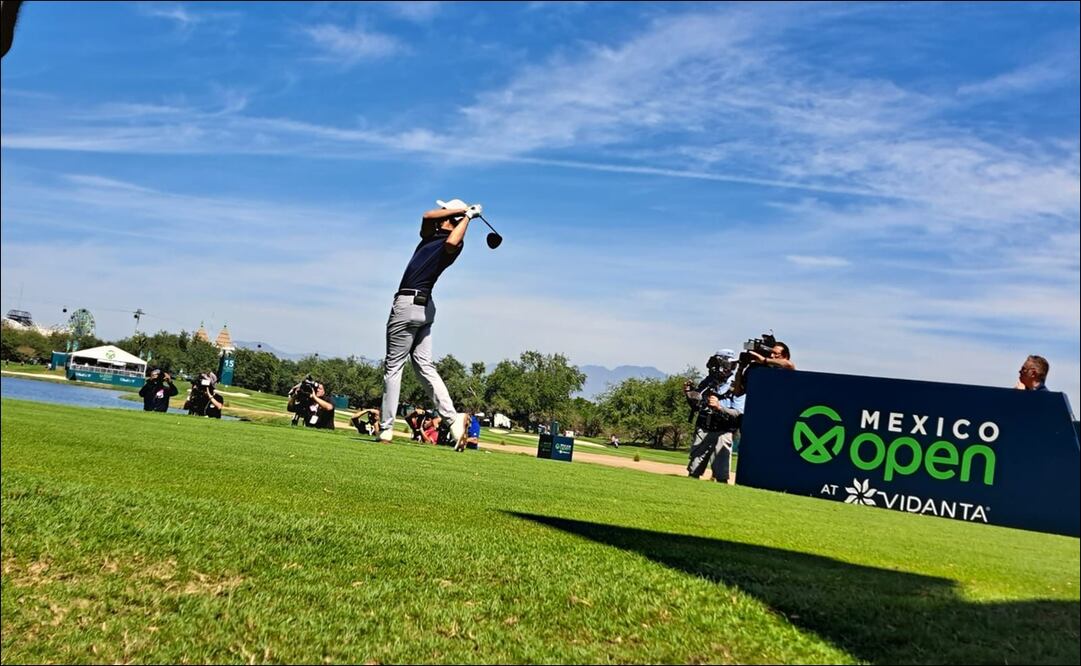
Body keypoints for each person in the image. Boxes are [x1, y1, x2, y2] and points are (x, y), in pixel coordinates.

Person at [377, 198, 483, 447]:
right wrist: (464, 212)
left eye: (444, 210)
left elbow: (452, 241)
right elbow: (426, 216)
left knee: (393, 367)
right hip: (423, 307)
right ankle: (453, 420)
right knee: (425, 366)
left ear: (449, 215)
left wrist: (466, 218)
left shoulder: (454, 243)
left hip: (409, 303)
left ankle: (386, 429)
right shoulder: (429, 235)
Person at [685, 350, 745, 484]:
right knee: (694, 470)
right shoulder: (708, 381)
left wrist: (719, 407)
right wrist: (689, 394)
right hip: (703, 427)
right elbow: (697, 405)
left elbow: (738, 412)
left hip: (723, 431)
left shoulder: (736, 384)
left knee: (721, 474)